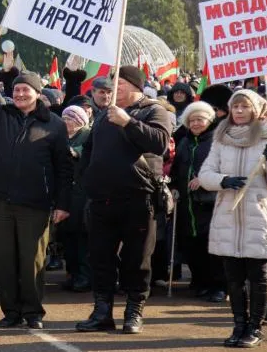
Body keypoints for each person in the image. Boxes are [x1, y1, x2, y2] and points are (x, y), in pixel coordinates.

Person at [0, 58, 72, 330]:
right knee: (5, 259)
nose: (19, 94)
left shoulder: (55, 124)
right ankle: (11, 311)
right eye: (16, 90)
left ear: (38, 94)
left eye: (26, 90)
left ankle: (33, 312)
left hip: (35, 204)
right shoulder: (2, 116)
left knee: (32, 261)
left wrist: (62, 204)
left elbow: (64, 168)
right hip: (2, 201)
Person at [76, 66, 172, 335]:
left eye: (118, 84)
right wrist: (87, 178)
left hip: (139, 198)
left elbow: (160, 143)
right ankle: (102, 312)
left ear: (134, 86)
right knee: (100, 259)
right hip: (102, 199)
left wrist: (128, 122)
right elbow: (89, 151)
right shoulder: (104, 115)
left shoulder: (155, 110)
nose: (112, 90)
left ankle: (133, 312)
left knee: (137, 260)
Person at [199, 89, 267, 347]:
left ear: (256, 110)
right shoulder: (220, 138)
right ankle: (239, 325)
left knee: (258, 275)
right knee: (234, 278)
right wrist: (223, 181)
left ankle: (255, 328)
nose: (239, 111)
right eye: (235, 106)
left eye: (244, 107)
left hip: (257, 216)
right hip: (228, 215)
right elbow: (205, 174)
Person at [170, 102, 224, 302]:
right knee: (192, 245)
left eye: (200, 119)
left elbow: (223, 169)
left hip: (210, 202)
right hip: (187, 204)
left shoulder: (218, 142)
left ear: (209, 120)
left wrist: (204, 179)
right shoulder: (184, 142)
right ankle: (200, 282)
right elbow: (176, 170)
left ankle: (219, 285)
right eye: (191, 120)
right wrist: (174, 186)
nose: (195, 123)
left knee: (213, 246)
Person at [60, 105, 92, 293]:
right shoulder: (63, 136)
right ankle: (72, 274)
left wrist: (73, 152)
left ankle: (85, 276)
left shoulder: (87, 135)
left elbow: (84, 151)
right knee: (68, 236)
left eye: (70, 118)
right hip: (65, 193)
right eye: (64, 119)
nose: (66, 122)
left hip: (82, 193)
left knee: (82, 236)